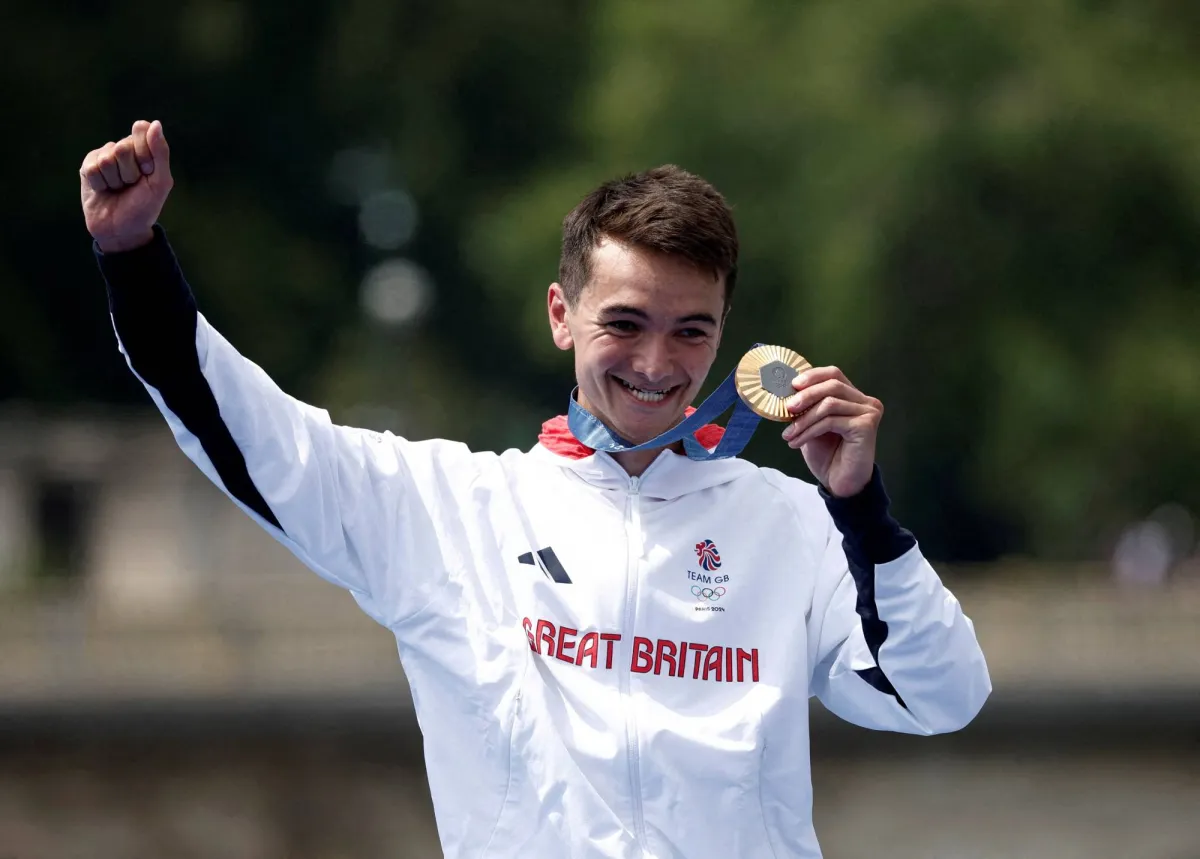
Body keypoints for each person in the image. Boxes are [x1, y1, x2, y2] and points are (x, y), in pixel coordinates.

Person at [80, 120, 991, 859]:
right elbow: (245, 433)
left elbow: (941, 695)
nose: (655, 363)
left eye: (691, 331)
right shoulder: (448, 508)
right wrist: (132, 255)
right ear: (562, 315)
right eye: (625, 323)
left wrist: (864, 512)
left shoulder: (792, 522)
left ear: (724, 331)